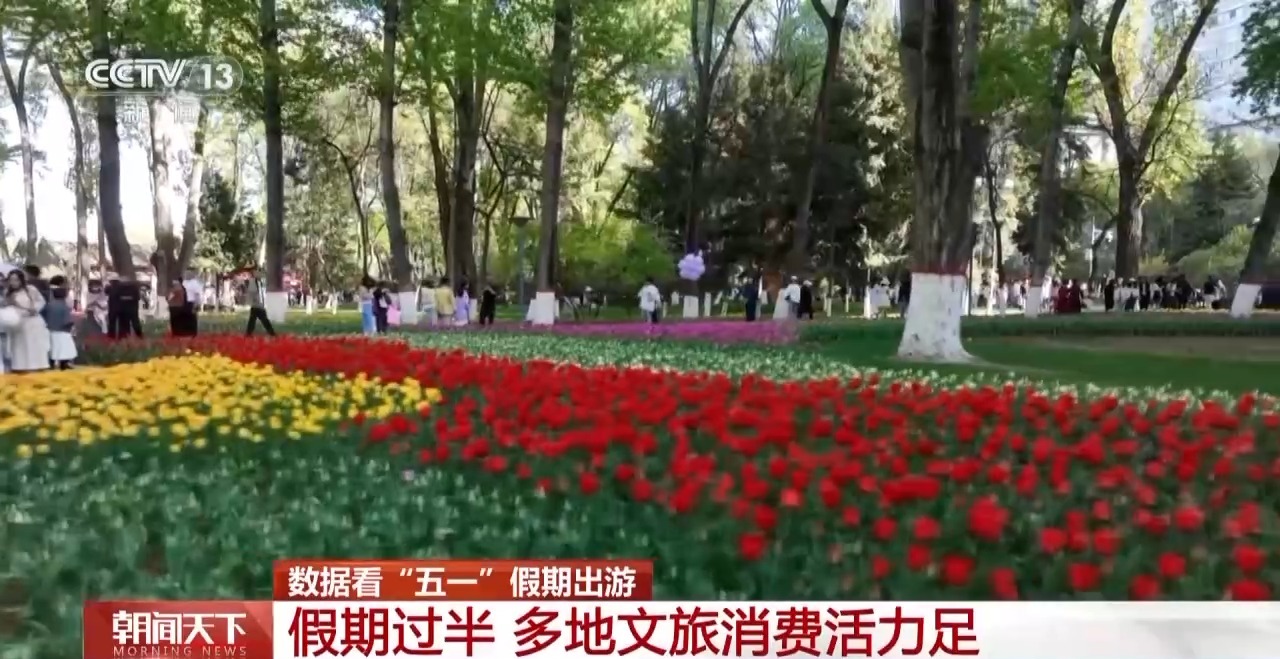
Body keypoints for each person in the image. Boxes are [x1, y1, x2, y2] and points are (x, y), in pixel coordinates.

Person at [3, 269, 51, 372]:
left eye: (16, 280)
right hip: (18, 324)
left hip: (33, 322)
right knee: (20, 347)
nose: (13, 282)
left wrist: (35, 309)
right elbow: (7, 308)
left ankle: (37, 367)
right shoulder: (7, 293)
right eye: (11, 280)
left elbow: (41, 301)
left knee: (35, 346)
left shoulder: (30, 289)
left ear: (21, 280)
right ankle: (20, 368)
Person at [46, 285, 77, 369]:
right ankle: (64, 364)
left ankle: (51, 364)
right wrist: (72, 324)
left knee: (52, 348)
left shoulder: (49, 305)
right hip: (63, 331)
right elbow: (67, 320)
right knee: (64, 349)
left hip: (51, 330)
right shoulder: (65, 307)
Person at [244, 267, 276, 336]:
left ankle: (248, 334)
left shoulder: (261, 282)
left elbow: (262, 292)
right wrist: (254, 300)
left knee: (253, 320)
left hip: (259, 305)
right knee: (262, 320)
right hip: (257, 304)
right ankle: (272, 333)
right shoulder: (253, 282)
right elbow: (251, 293)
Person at [182, 270, 203, 335]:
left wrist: (197, 303)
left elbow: (197, 294)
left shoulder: (194, 283)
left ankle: (192, 331)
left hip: (192, 302)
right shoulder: (185, 282)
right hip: (185, 302)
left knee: (192, 317)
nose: (186, 276)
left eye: (187, 274)